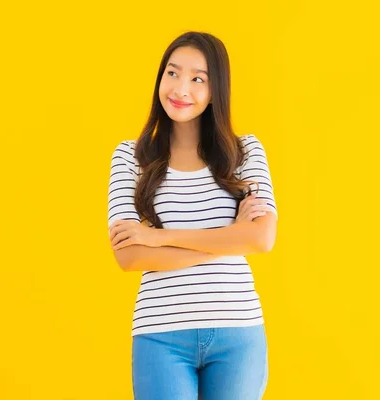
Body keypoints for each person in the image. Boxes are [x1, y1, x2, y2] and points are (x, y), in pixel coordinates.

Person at [106, 31, 278, 400]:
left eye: (198, 78)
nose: (181, 88)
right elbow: (129, 256)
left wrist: (158, 236)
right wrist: (232, 236)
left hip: (238, 331)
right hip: (161, 333)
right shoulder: (128, 157)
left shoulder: (245, 151)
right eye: (172, 73)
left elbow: (261, 239)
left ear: (217, 89)